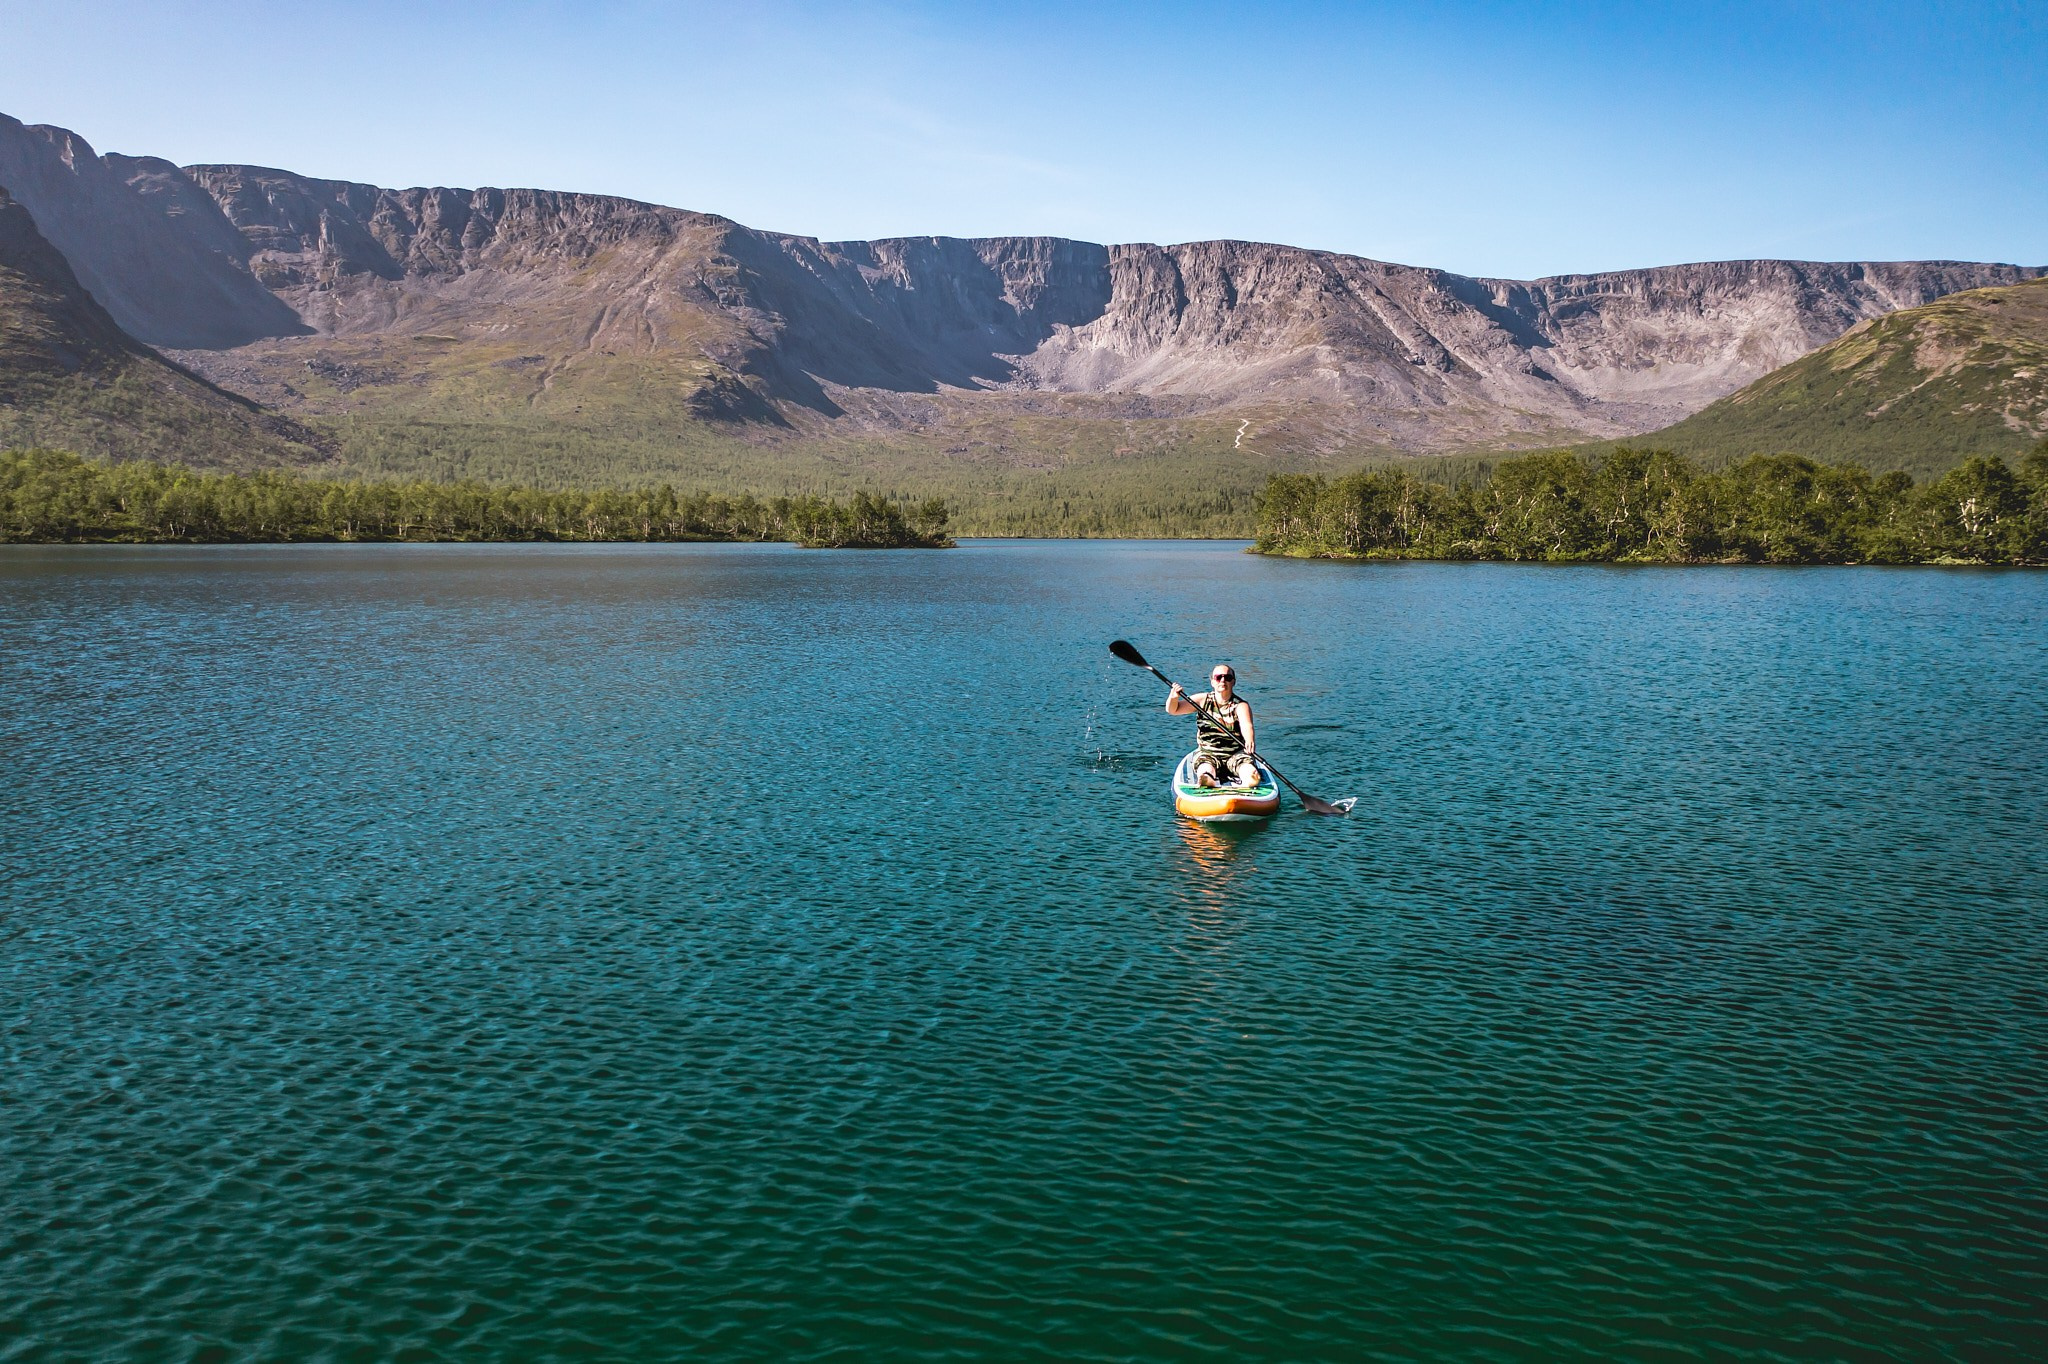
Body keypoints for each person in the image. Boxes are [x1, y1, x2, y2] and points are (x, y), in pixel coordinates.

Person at [1167, 664, 1259, 788]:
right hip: (1208, 752)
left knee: (1245, 766)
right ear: (1212, 682)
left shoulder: (1241, 705)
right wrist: (1173, 698)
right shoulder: (1202, 700)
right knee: (1205, 765)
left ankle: (1250, 777)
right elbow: (1174, 710)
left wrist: (1249, 740)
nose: (1223, 680)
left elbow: (1247, 725)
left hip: (1235, 753)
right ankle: (1207, 778)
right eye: (1218, 677)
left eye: (1227, 677)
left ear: (1233, 682)